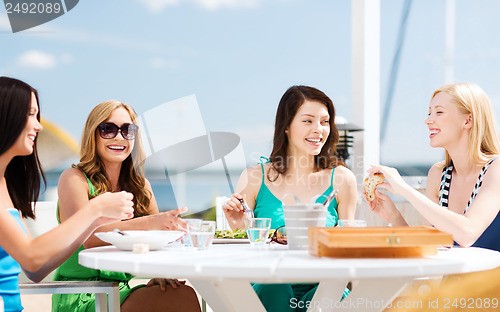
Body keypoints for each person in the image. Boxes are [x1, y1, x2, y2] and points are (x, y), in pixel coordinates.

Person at [0, 76, 135, 312]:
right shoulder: (73, 178)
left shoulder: (5, 185)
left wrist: (94, 219)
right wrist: (96, 209)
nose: (38, 125)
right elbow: (32, 258)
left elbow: (36, 270)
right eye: (29, 114)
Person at [52, 100, 201, 312]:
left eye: (127, 130)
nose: (119, 137)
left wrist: (161, 272)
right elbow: (86, 239)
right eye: (108, 129)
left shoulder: (141, 187)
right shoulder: (74, 179)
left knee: (182, 293)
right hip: (80, 294)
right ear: (92, 135)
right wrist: (149, 223)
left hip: (119, 291)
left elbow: (159, 240)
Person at [223, 85, 357, 311]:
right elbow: (245, 249)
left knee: (334, 294)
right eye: (308, 121)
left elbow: (349, 245)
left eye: (324, 122)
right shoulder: (255, 177)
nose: (318, 130)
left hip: (324, 286)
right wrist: (238, 226)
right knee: (276, 289)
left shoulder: (343, 179)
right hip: (268, 286)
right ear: (286, 125)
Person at [365, 83, 500, 252]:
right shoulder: (438, 175)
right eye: (429, 112)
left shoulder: (495, 169)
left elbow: (467, 233)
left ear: (468, 120)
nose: (428, 120)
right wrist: (393, 216)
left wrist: (405, 189)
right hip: (452, 278)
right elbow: (427, 247)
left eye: (439, 112)